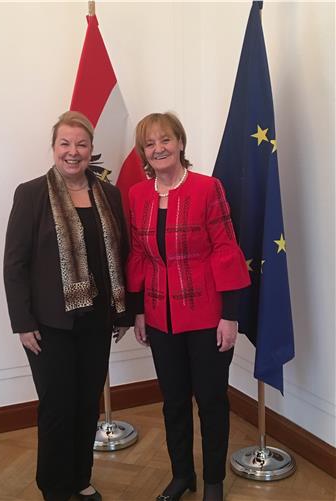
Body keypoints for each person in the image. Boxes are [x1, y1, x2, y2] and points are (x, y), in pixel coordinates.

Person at [4, 111, 131, 501]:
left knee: (86, 404)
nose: (73, 152)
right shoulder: (31, 194)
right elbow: (15, 263)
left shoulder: (108, 194)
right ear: (54, 147)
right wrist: (23, 323)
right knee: (58, 408)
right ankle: (55, 488)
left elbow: (121, 254)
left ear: (91, 149)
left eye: (81, 144)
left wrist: (122, 311)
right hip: (49, 325)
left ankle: (80, 478)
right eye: (65, 143)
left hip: (96, 321)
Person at [126, 113, 251, 501]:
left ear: (180, 143)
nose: (158, 148)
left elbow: (226, 251)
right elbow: (138, 256)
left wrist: (229, 315)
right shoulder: (137, 195)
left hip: (207, 317)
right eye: (150, 144)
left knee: (211, 401)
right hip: (160, 317)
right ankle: (183, 476)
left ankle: (213, 480)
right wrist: (139, 311)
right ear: (144, 153)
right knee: (174, 402)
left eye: (165, 140)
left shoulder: (206, 188)